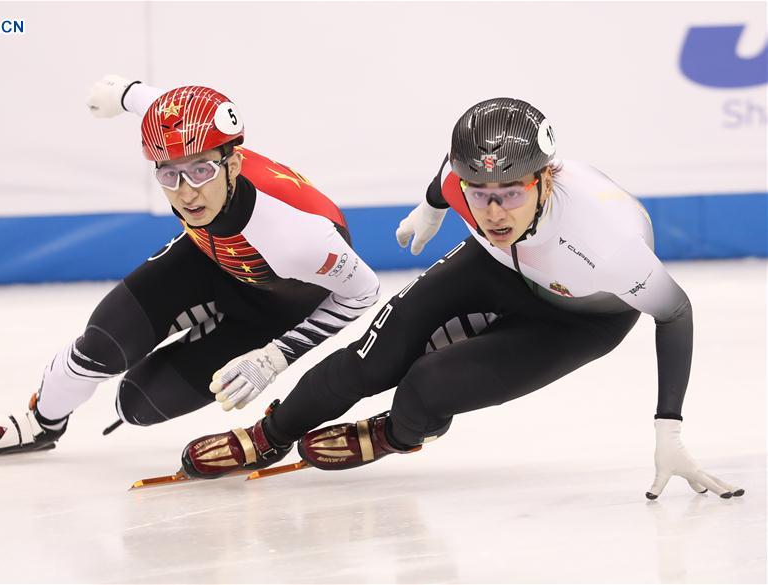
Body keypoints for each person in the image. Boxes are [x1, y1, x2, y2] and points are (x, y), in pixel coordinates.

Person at [179, 97, 744, 500]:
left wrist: (668, 429)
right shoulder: (468, 183)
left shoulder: (609, 239)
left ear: (546, 180)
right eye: (480, 196)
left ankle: (397, 434)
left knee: (427, 384)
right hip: (495, 269)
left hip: (578, 321)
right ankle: (270, 436)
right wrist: (431, 210)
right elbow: (448, 174)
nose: (493, 212)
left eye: (510, 195)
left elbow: (676, 311)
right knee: (373, 359)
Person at [0, 76, 380, 459]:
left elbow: (363, 291)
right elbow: (160, 107)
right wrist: (125, 93)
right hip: (207, 261)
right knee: (101, 345)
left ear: (233, 166)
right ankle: (40, 423)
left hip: (274, 310)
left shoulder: (297, 236)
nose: (187, 193)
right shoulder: (186, 151)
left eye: (201, 170)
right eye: (169, 175)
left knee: (138, 405)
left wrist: (274, 358)